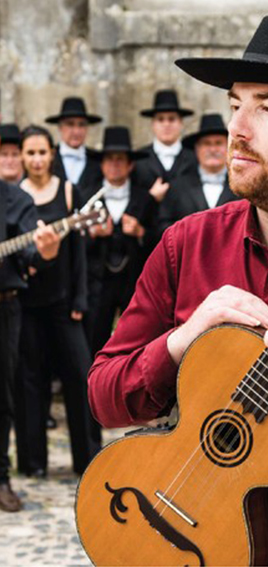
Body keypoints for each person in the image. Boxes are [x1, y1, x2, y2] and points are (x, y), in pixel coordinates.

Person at [88, 12, 268, 566]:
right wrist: (180, 342)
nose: (237, 128)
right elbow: (103, 397)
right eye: (236, 103)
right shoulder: (185, 244)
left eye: (267, 107)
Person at [15, 125, 100, 479]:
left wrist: (79, 297)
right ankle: (33, 463)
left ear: (52, 154)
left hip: (64, 303)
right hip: (26, 306)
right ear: (22, 156)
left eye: (42, 152)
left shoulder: (68, 192)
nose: (36, 159)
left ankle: (88, 459)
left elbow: (79, 251)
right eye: (30, 153)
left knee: (80, 376)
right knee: (29, 382)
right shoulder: (13, 195)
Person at [0, 177, 60, 512]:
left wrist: (46, 250)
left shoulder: (14, 199)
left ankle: (0, 478)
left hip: (3, 306)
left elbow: (31, 253)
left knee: (2, 396)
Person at [88, 126, 149, 354]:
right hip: (98, 282)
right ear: (102, 164)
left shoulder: (144, 198)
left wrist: (140, 232)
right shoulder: (87, 195)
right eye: (109, 159)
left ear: (130, 164)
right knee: (96, 336)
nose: (115, 164)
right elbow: (75, 243)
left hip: (133, 282)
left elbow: (158, 237)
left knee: (133, 338)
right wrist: (93, 234)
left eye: (120, 159)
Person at [132, 89, 197, 248]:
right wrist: (150, 197)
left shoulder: (195, 158)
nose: (166, 124)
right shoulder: (138, 159)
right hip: (146, 242)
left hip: (188, 240)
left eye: (172, 119)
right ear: (153, 124)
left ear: (180, 123)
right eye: (161, 119)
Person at [159, 113, 239, 233]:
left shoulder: (242, 186)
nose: (212, 150)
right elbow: (163, 227)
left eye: (218, 143)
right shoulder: (177, 187)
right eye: (207, 143)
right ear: (196, 149)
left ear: (228, 148)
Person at [45, 97, 103, 204]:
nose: (76, 131)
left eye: (81, 125)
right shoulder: (47, 158)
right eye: (70, 124)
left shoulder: (99, 161)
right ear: (60, 127)